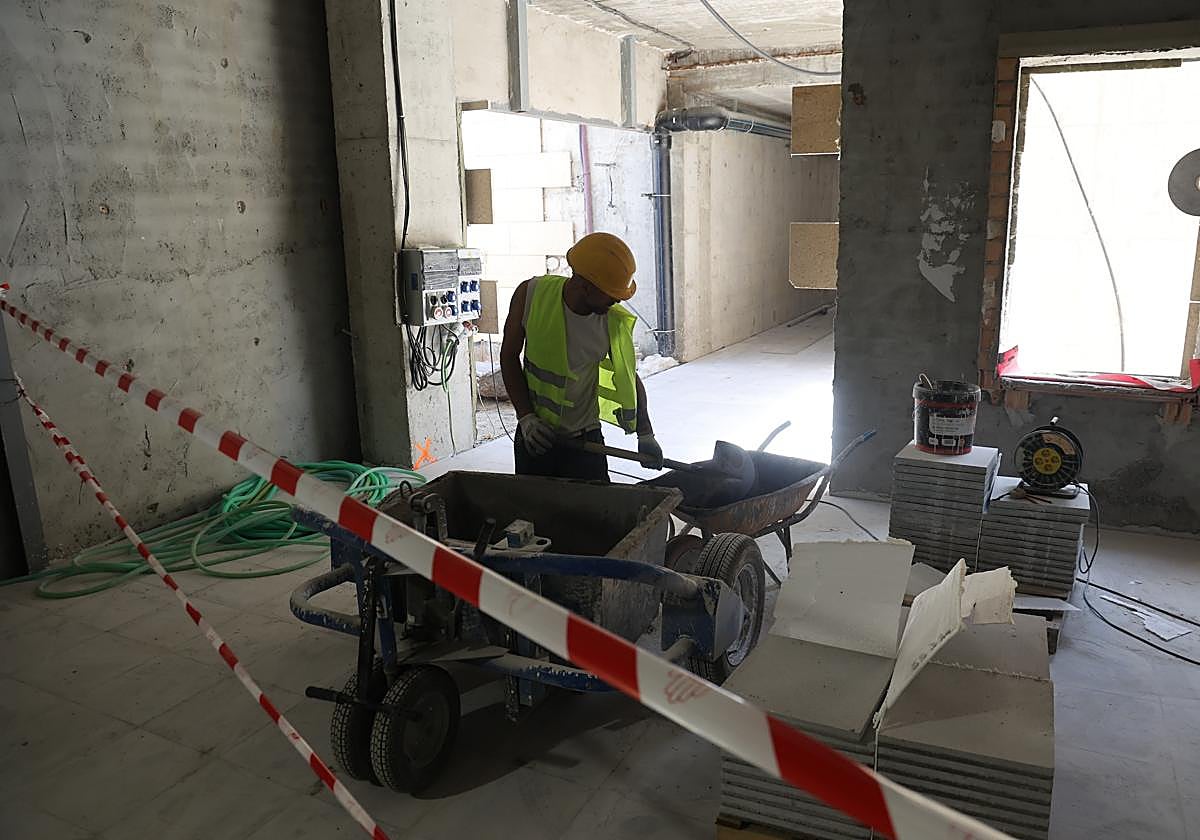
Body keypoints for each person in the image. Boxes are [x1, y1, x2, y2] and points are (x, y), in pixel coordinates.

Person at [499, 232, 663, 481]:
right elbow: (509, 356)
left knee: (594, 516)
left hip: (586, 440)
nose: (617, 299)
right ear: (586, 285)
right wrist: (527, 417)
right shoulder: (530, 295)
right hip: (536, 437)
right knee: (535, 515)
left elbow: (630, 379)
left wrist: (646, 433)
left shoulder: (612, 322)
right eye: (610, 292)